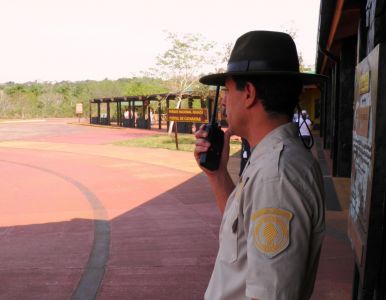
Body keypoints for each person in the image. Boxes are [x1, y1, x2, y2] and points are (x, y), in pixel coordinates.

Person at [194, 31, 325, 300]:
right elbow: (243, 235)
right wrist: (217, 174)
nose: (224, 102)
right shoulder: (270, 159)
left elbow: (270, 294)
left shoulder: (276, 176)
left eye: (228, 91)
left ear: (249, 93)